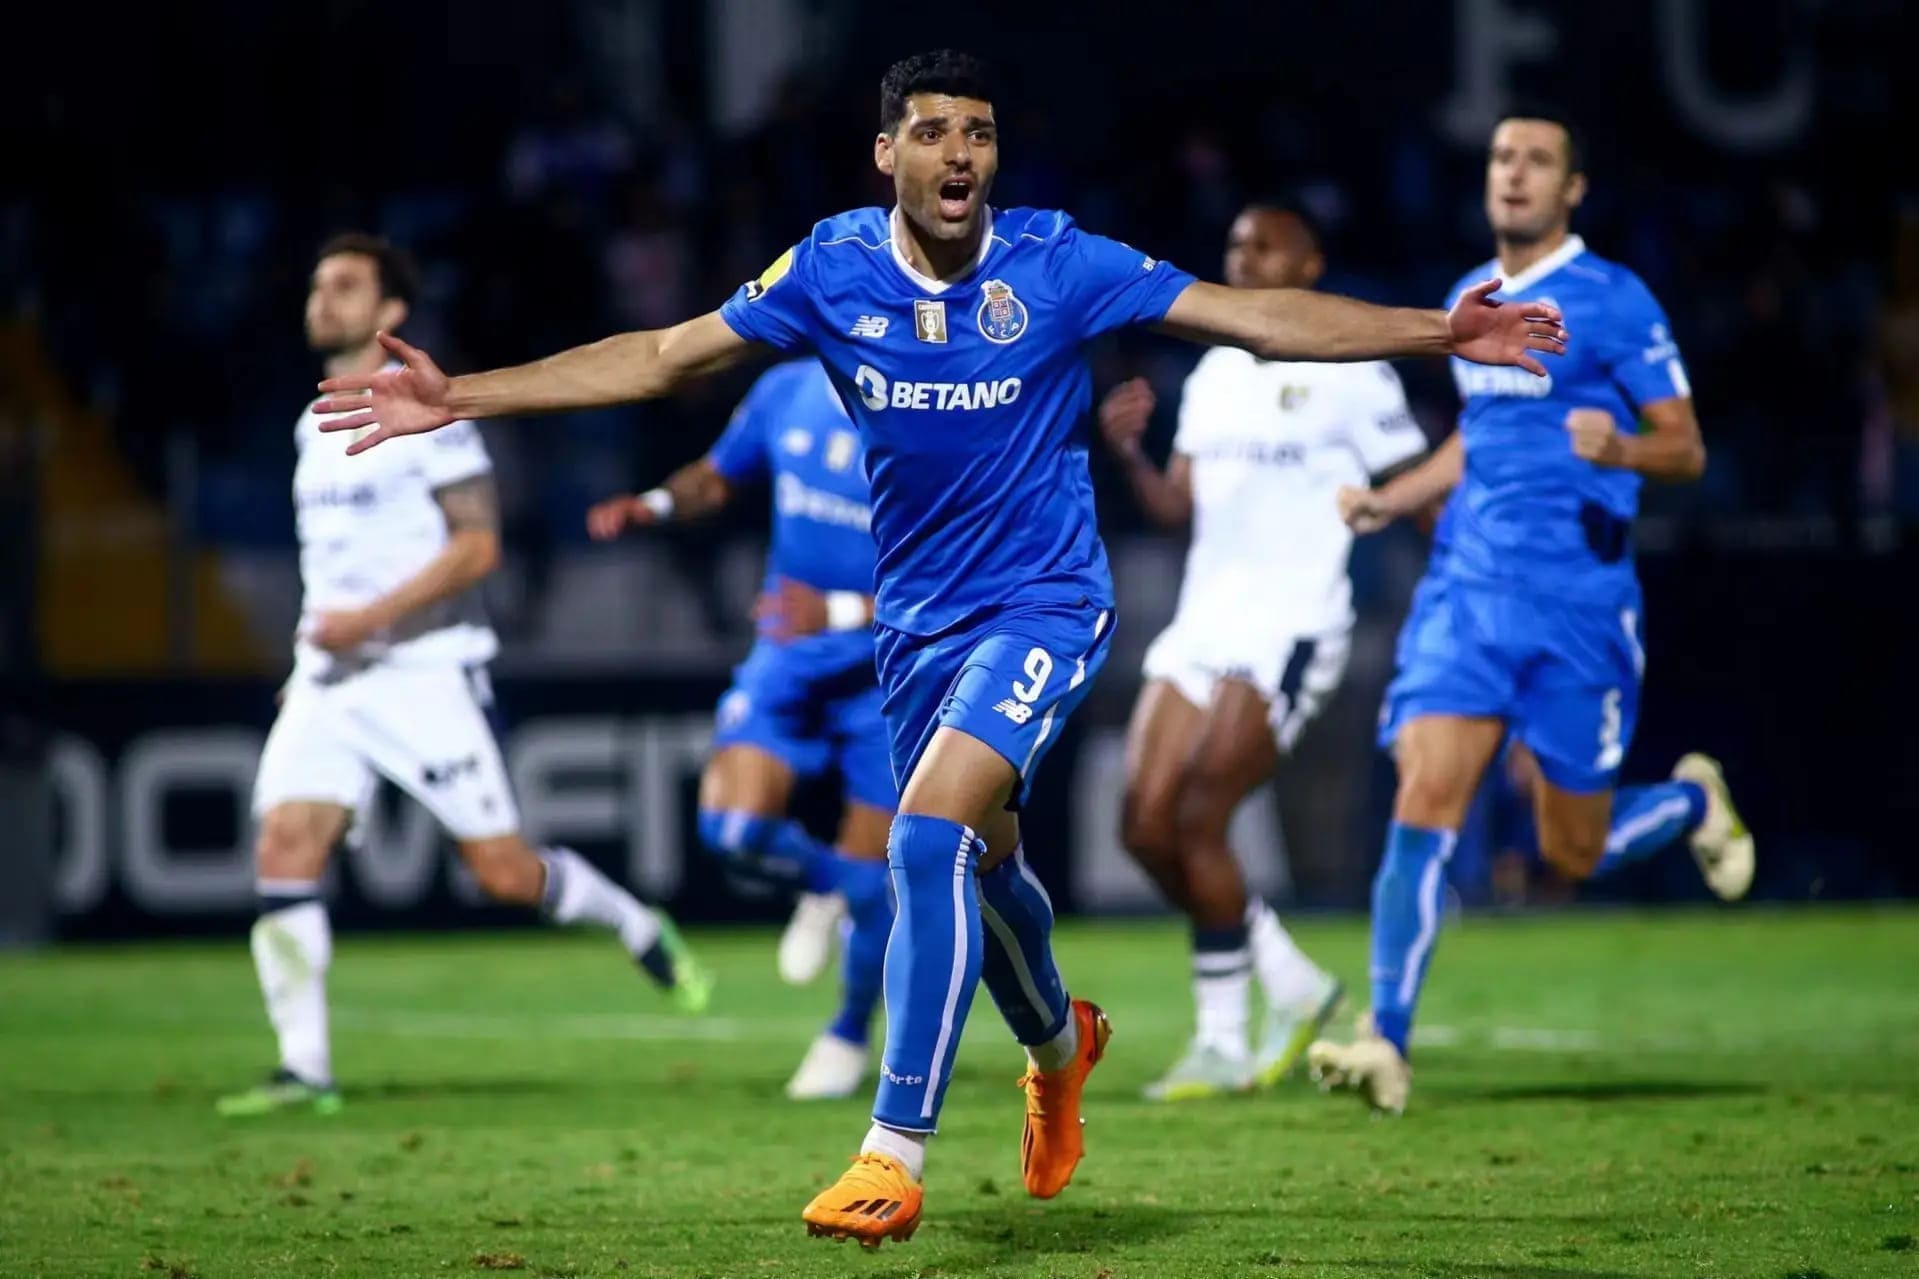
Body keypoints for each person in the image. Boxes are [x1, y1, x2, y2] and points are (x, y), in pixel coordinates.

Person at [309, 52, 1564, 1245]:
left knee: (922, 840)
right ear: (886, 155)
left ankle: (891, 1150)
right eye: (931, 133)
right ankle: (1060, 1046)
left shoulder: (1057, 262)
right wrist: (462, 395)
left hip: (1044, 607)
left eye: (977, 134)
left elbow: (1248, 317)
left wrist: (1433, 331)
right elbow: (660, 357)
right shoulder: (831, 268)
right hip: (915, 631)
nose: (958, 152)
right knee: (988, 871)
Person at [1306, 111, 1755, 1116]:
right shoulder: (1470, 296)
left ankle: (1690, 802)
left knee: (1570, 851)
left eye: (1537, 160)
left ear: (1571, 188)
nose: (1512, 174)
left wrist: (1622, 449)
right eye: (1502, 157)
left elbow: (1685, 447)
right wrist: (1393, 498)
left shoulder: (1613, 298)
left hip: (1577, 608)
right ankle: (1385, 1039)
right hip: (1466, 594)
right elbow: (1479, 434)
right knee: (1424, 795)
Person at [218, 234, 710, 1119]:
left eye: (345, 285)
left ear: (391, 311)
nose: (322, 299)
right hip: (329, 679)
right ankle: (305, 1069)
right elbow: (331, 568)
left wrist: (368, 621)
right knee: (285, 845)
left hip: (422, 670)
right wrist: (310, 657)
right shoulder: (308, 426)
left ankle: (634, 921)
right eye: (318, 284)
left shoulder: (427, 414)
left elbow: (478, 545)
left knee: (503, 874)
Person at [1098, 204, 1428, 1100]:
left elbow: (1417, 486)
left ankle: (1221, 1041)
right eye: (1234, 245)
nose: (1241, 257)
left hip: (1292, 623)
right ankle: (1290, 980)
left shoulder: (1353, 371)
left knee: (1198, 816)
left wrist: (1449, 586)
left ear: (1309, 264)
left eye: (1263, 245)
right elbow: (1179, 507)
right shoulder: (1212, 372)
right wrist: (1129, 455)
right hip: (1203, 622)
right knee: (1142, 826)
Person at [586, 358, 896, 1101]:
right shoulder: (786, 389)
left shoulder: (930, 407)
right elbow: (718, 476)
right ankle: (824, 887)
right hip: (787, 654)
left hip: (887, 671)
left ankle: (848, 1032)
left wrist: (841, 611)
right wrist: (657, 504)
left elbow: (960, 578)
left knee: (879, 873)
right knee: (731, 828)